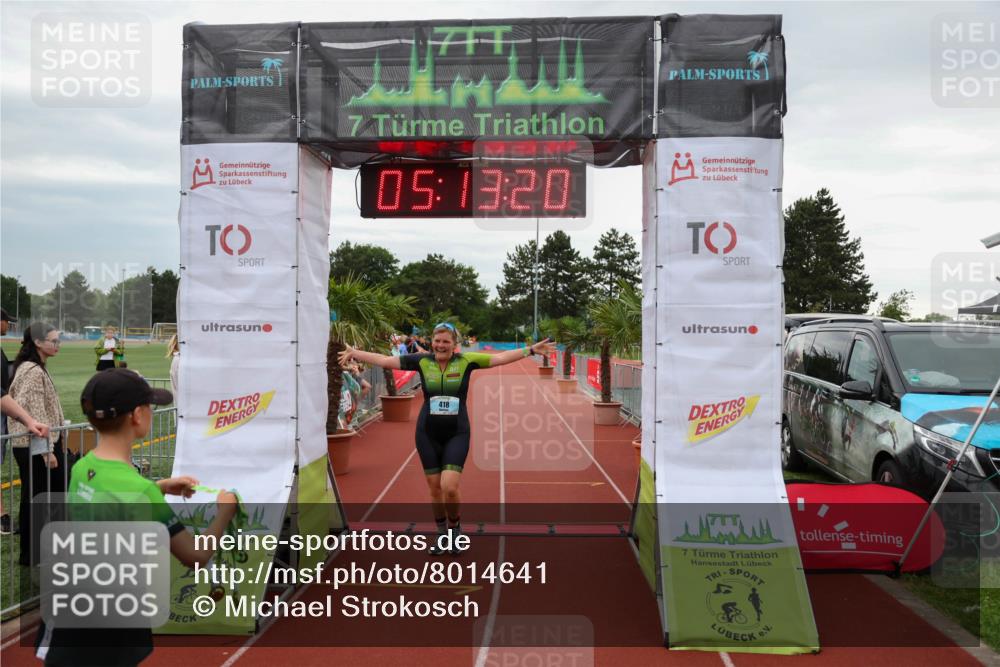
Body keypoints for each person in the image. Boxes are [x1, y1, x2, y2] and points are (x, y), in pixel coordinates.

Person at [35, 368, 238, 666]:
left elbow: (109, 497)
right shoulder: (140, 491)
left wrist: (159, 486)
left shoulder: (83, 466)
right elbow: (194, 556)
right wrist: (224, 512)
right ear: (137, 416)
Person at [341, 324, 554, 555]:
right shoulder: (421, 361)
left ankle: (455, 529)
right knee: (434, 489)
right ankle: (443, 535)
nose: (440, 345)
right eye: (437, 340)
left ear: (454, 344)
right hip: (427, 433)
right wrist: (354, 353)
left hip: (457, 432)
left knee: (449, 486)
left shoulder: (466, 361)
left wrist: (531, 350)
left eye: (446, 341)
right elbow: (384, 360)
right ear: (431, 341)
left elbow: (500, 358)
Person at [8, 323, 67, 564]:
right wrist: (47, 451)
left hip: (35, 446)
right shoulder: (32, 371)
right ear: (38, 343)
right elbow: (34, 413)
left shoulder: (31, 368)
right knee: (40, 500)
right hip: (36, 447)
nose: (57, 344)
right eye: (53, 340)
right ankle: (35, 553)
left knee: (36, 498)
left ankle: (35, 553)